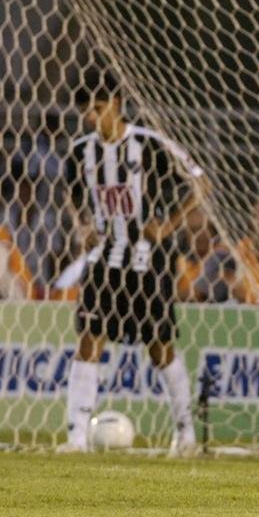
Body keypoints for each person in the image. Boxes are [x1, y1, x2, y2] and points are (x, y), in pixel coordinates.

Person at [59, 73, 205, 455]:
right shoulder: (80, 152)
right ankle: (76, 438)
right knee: (88, 340)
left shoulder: (150, 143)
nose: (92, 118)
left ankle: (186, 435)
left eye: (98, 108)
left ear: (117, 105)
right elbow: (72, 196)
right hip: (104, 258)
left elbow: (200, 182)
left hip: (147, 259)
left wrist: (169, 225)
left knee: (159, 348)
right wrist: (82, 226)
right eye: (86, 112)